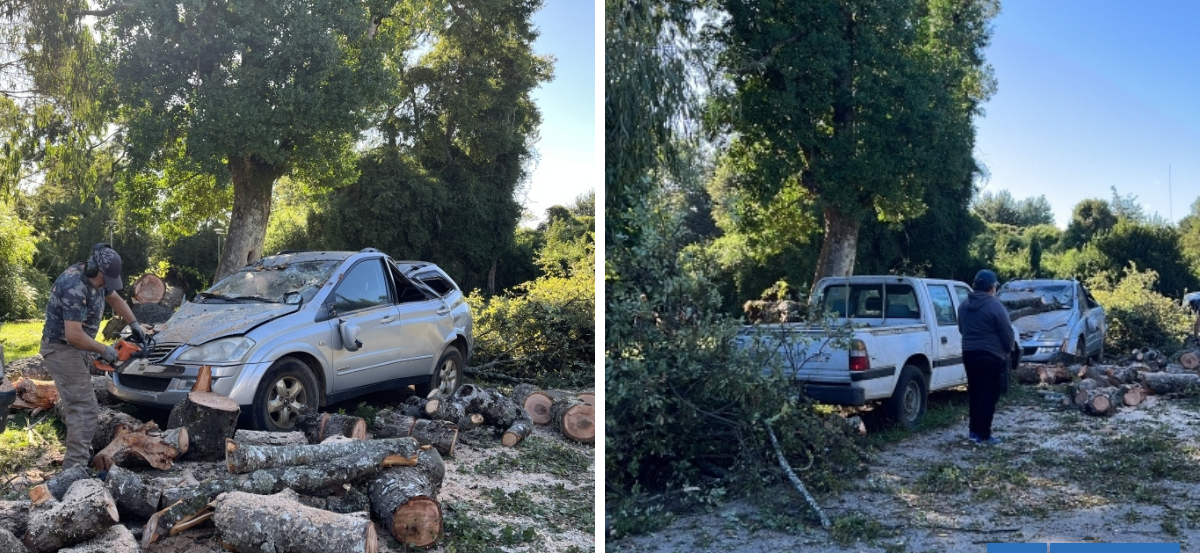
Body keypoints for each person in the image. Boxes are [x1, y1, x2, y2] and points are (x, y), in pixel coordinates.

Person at [41, 243, 149, 469]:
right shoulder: (74, 286)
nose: (106, 286)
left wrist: (134, 323)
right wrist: (105, 350)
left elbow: (114, 297)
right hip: (62, 348)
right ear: (92, 269)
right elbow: (73, 335)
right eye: (104, 280)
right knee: (83, 408)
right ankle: (74, 470)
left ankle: (81, 456)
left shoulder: (98, 279)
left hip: (76, 348)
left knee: (83, 405)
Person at [957, 269, 1014, 445]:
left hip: (969, 353)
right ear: (992, 287)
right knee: (989, 394)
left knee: (974, 392)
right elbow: (1007, 333)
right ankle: (984, 434)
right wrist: (1008, 350)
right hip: (991, 355)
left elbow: (962, 329)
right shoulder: (995, 306)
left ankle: (973, 432)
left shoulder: (963, 306)